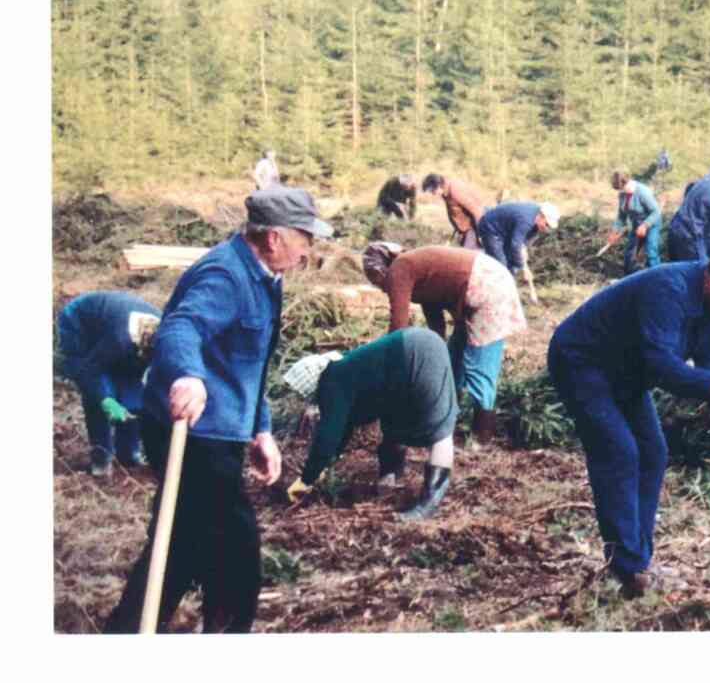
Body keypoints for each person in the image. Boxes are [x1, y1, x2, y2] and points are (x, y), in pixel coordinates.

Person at [104, 187, 332, 634]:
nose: (309, 250)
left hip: (222, 429)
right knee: (236, 554)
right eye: (304, 237)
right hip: (193, 432)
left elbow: (248, 362)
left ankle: (126, 634)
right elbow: (179, 328)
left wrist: (260, 429)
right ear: (273, 238)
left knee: (180, 546)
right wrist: (188, 375)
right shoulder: (225, 276)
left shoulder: (265, 276)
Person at [547, 244, 710, 598]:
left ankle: (638, 562)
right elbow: (662, 366)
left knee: (653, 453)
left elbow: (708, 361)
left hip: (626, 372)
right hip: (582, 362)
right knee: (619, 452)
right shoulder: (668, 290)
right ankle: (626, 567)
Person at [283, 328, 459, 520]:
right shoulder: (344, 369)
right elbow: (344, 427)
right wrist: (324, 466)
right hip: (413, 350)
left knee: (440, 430)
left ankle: (427, 507)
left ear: (312, 382)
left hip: (421, 352)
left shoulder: (332, 381)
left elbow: (329, 435)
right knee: (394, 419)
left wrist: (306, 479)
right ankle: (390, 480)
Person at [362, 243, 527, 447]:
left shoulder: (399, 269)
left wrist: (389, 364)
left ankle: (481, 436)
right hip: (482, 282)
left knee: (479, 365)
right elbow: (435, 318)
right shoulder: (414, 268)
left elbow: (398, 327)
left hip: (488, 288)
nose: (382, 288)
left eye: (378, 282)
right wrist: (433, 355)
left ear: (382, 270)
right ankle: (447, 418)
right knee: (453, 356)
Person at [56, 291, 162, 476]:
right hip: (80, 323)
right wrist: (106, 400)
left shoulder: (164, 337)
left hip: (115, 331)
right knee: (97, 393)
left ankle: (128, 455)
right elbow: (89, 371)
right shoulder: (121, 340)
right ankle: (101, 458)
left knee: (133, 397)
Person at [476, 200, 560, 302]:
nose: (546, 228)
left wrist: (522, 253)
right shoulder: (526, 220)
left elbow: (521, 243)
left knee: (511, 265)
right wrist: (522, 267)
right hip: (491, 228)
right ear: (541, 216)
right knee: (501, 266)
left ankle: (506, 293)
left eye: (549, 227)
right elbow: (515, 245)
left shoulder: (536, 222)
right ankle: (492, 296)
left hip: (506, 231)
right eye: (546, 224)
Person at [605, 169, 662, 275]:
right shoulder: (622, 194)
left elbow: (656, 211)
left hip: (651, 223)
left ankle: (658, 276)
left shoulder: (642, 192)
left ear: (626, 182)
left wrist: (645, 225)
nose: (620, 191)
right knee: (629, 252)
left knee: (651, 252)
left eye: (621, 188)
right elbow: (621, 216)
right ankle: (628, 277)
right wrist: (614, 231)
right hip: (637, 224)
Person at [421, 173, 485, 249]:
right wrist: (459, 229)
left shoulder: (455, 190)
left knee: (466, 256)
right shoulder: (445, 192)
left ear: (438, 185)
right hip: (465, 229)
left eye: (432, 191)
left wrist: (481, 234)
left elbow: (476, 210)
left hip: (473, 226)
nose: (433, 194)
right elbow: (456, 211)